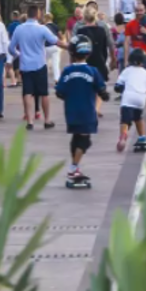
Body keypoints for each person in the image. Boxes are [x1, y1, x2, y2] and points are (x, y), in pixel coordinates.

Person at [55, 35, 109, 186]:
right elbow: (102, 90)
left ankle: (75, 167)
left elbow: (59, 92)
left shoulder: (67, 71)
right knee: (85, 141)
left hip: (71, 112)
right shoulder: (92, 71)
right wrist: (104, 95)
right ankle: (73, 168)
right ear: (88, 52)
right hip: (87, 112)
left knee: (76, 138)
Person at [9, 5, 68, 130]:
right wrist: (70, 47)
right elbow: (56, 41)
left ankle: (30, 121)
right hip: (40, 65)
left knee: (27, 92)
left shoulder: (19, 29)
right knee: (44, 93)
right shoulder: (42, 29)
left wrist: (19, 55)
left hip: (25, 65)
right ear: (37, 15)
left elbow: (11, 48)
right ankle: (47, 120)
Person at [116, 48, 146, 152]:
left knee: (125, 120)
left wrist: (122, 89)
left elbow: (118, 86)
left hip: (128, 98)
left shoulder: (127, 71)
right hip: (140, 98)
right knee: (138, 118)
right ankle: (142, 138)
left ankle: (123, 136)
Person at [75, 7, 112, 115]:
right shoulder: (101, 30)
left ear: (84, 17)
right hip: (99, 59)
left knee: (86, 85)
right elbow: (105, 47)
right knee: (100, 85)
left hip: (84, 60)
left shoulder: (80, 31)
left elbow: (75, 46)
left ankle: (90, 106)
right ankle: (96, 108)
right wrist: (107, 59)